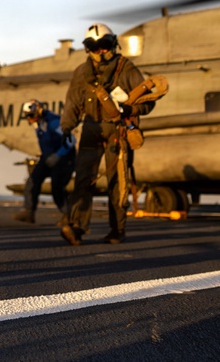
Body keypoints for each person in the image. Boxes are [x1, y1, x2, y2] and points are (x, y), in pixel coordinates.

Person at [59, 23, 154, 246]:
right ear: (88, 48)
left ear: (113, 44)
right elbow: (72, 104)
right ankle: (76, 227)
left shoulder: (126, 69)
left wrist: (129, 109)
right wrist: (66, 127)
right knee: (83, 179)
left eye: (105, 45)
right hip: (91, 131)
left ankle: (117, 230)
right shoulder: (81, 73)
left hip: (118, 132)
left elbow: (148, 102)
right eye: (94, 46)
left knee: (117, 183)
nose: (101, 51)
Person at [11, 100, 75, 224]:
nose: (29, 119)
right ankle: (28, 212)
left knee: (57, 189)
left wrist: (57, 155)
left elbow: (71, 141)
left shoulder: (54, 122)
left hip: (64, 158)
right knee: (32, 181)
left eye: (31, 116)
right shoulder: (39, 123)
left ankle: (70, 217)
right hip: (47, 157)